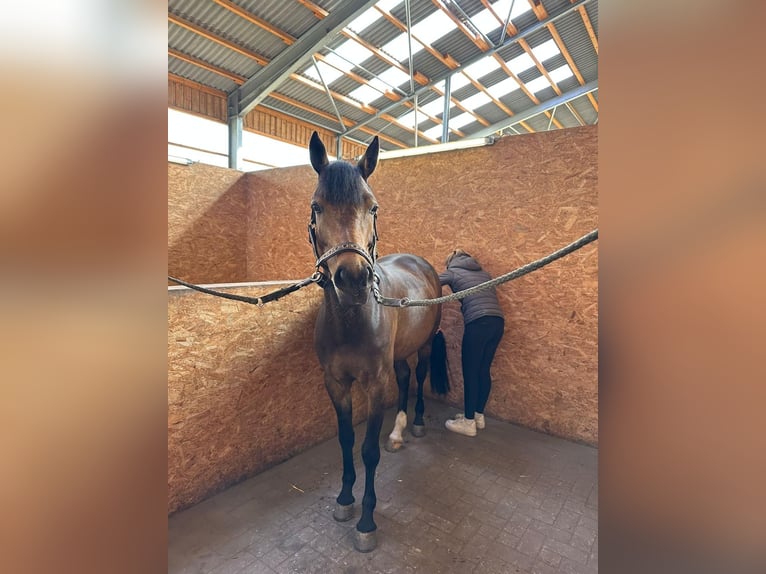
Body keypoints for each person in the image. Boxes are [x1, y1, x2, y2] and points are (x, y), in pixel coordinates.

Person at [439, 249, 505, 437]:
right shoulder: (484, 274)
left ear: (451, 261)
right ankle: (477, 416)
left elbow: (432, 281)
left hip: (478, 322)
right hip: (497, 322)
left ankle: (468, 423)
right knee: (483, 370)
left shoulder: (452, 271)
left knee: (471, 372)